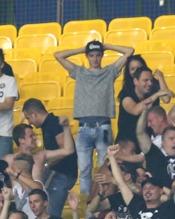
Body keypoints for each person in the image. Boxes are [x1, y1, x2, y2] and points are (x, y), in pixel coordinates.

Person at [53, 39, 134, 193]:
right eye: (91, 55)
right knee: (84, 170)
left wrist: (108, 46)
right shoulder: (80, 72)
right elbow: (58, 55)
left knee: (106, 167)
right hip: (84, 127)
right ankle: (86, 205)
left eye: (98, 55)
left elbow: (130, 51)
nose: (95, 59)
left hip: (103, 125)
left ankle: (104, 199)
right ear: (87, 56)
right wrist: (83, 48)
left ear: (102, 56)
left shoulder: (109, 71)